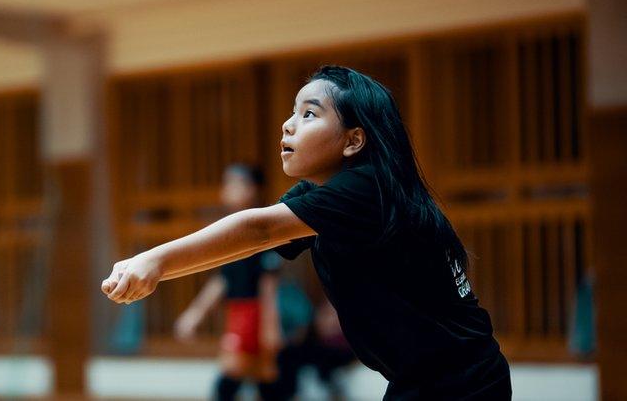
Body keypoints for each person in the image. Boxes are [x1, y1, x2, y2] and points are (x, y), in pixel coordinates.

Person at [102, 65, 511, 400]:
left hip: (463, 382)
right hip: (422, 380)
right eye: (292, 111)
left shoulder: (367, 188)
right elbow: (243, 246)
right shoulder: (320, 195)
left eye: (309, 114)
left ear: (353, 141)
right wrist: (154, 273)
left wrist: (153, 258)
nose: (288, 124)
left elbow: (258, 229)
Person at [173, 164, 283, 400]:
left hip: (255, 313)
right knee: (259, 377)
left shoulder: (263, 227)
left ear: (253, 189)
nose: (227, 189)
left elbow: (268, 285)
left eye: (234, 183)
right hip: (238, 311)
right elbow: (222, 279)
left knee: (243, 376)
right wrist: (195, 313)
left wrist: (270, 327)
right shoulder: (230, 229)